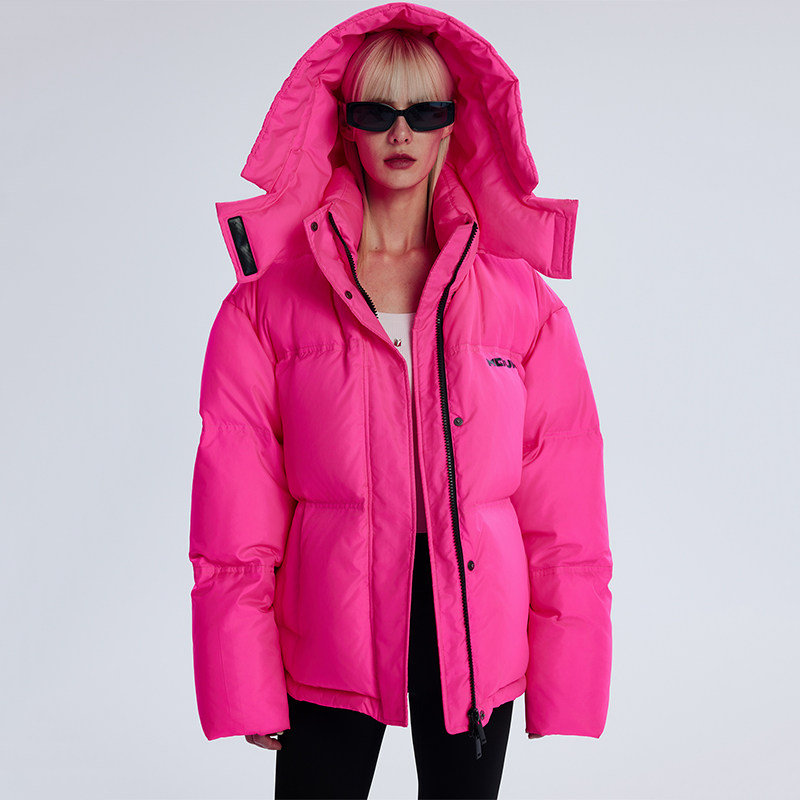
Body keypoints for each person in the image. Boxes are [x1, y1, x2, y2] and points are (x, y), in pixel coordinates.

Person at [188, 4, 613, 799]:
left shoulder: (520, 300)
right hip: (328, 619)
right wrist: (244, 674)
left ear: (455, 123)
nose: (401, 133)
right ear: (345, 124)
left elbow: (565, 503)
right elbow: (235, 511)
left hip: (474, 617)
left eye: (425, 111)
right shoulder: (268, 303)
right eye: (376, 112)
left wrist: (570, 673)